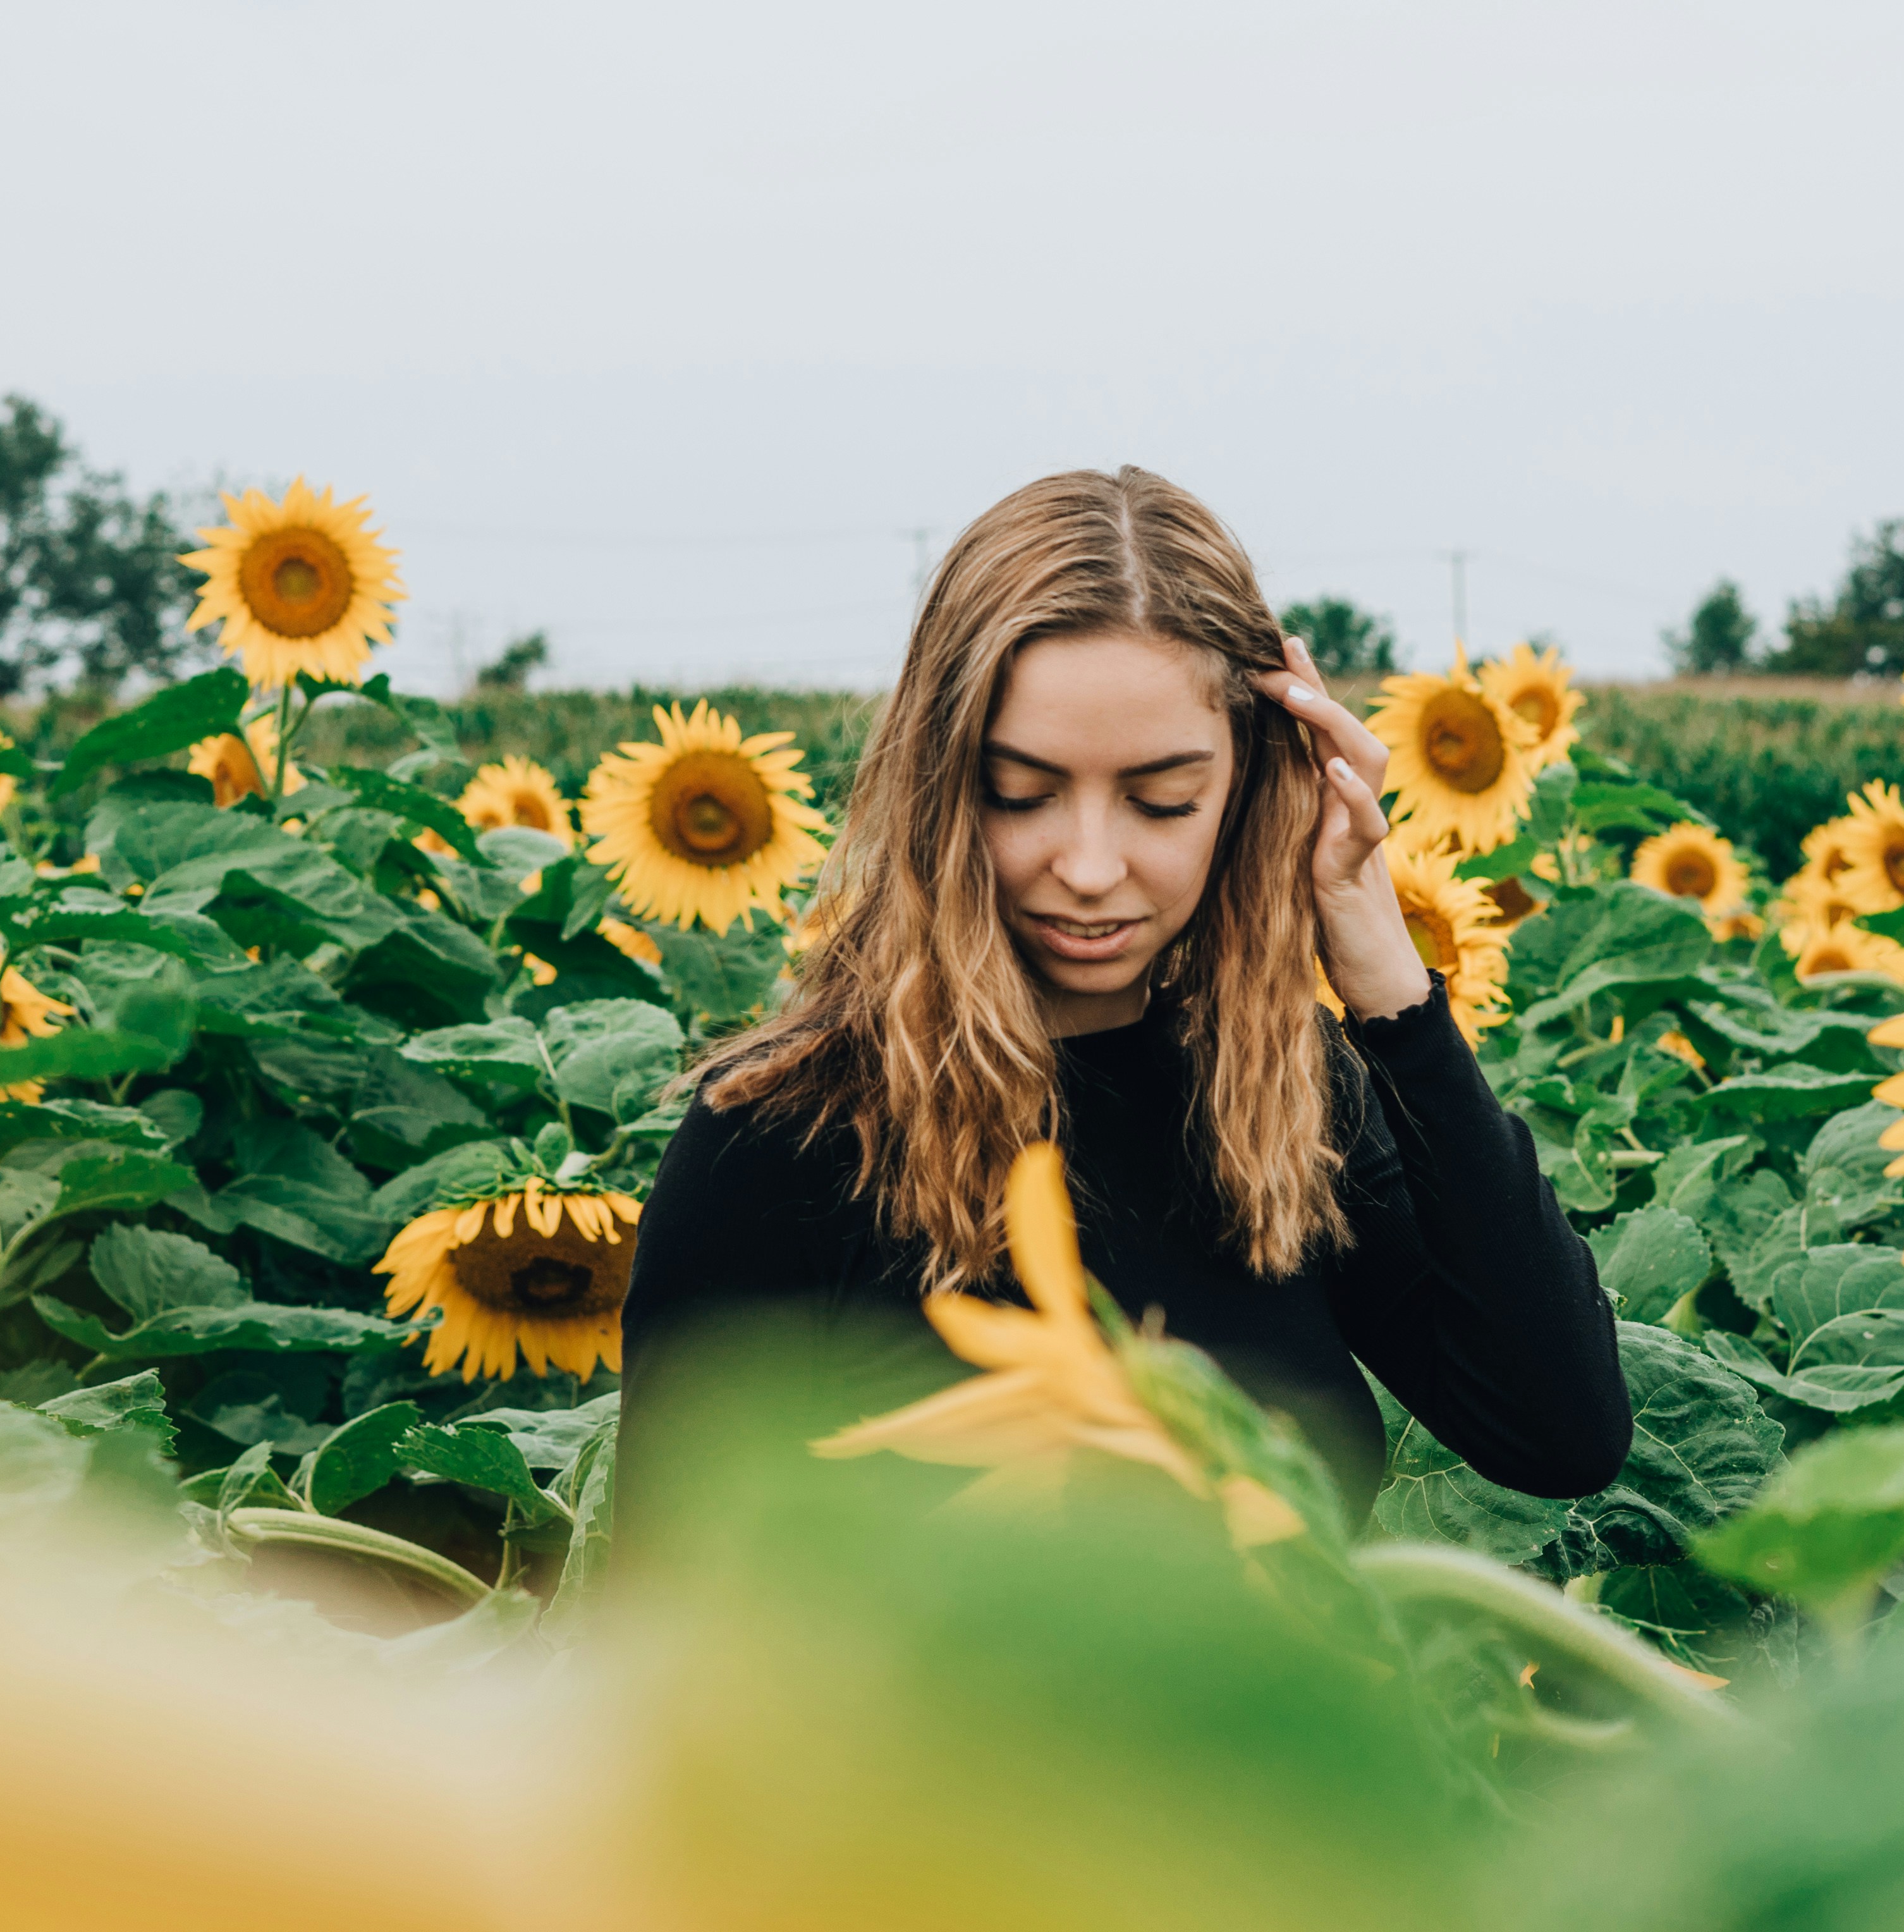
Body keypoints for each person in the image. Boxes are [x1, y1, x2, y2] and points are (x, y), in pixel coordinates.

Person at [615, 467, 1630, 1550]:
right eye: (1022, 793)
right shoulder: (788, 1137)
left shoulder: (1284, 1098)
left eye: (1161, 801)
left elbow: (1556, 1432)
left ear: (1248, 789)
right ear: (941, 788)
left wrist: (1384, 974)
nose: (1091, 867)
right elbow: (674, 1632)